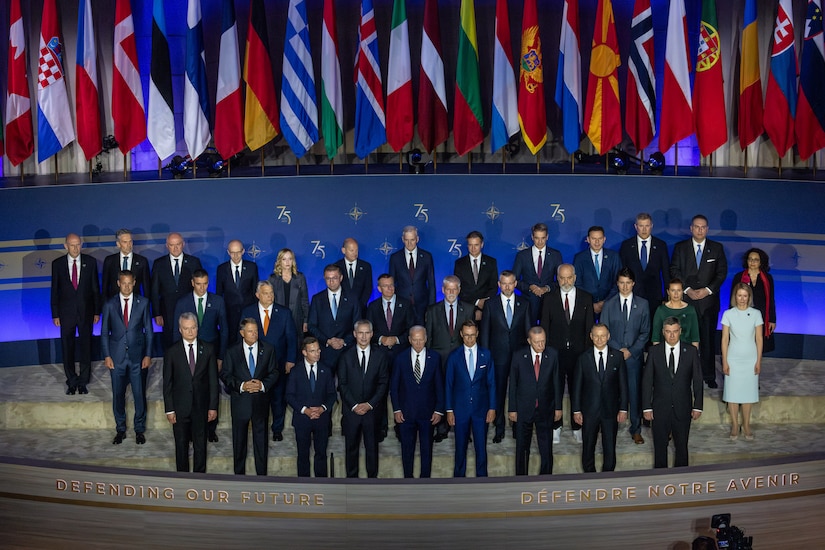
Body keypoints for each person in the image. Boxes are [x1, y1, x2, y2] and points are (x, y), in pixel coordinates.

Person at [670, 214, 728, 388]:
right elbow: (674, 269)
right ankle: (684, 375)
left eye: (703, 227)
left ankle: (708, 375)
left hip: (708, 303)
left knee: (708, 340)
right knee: (685, 339)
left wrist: (707, 290)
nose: (700, 230)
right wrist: (687, 289)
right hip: (685, 301)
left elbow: (721, 273)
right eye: (697, 226)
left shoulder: (717, 248)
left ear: (707, 229)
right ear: (691, 228)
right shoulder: (681, 248)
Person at [540, 263, 594, 443]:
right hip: (555, 354)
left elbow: (589, 329)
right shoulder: (549, 298)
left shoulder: (586, 298)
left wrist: (587, 354)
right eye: (562, 278)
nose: (566, 281)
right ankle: (556, 426)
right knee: (554, 390)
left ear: (575, 277)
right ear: (557, 278)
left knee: (577, 390)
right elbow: (545, 327)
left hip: (579, 354)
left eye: (569, 277)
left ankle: (577, 426)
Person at [173, 269, 229, 442]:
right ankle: (190, 429)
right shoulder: (183, 302)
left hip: (210, 355)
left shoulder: (218, 301)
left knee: (212, 389)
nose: (202, 287)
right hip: (189, 354)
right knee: (191, 390)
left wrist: (220, 356)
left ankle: (210, 429)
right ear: (192, 283)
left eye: (205, 284)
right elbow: (177, 333)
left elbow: (225, 330)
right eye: (198, 284)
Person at [219, 318, 278, 476]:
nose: (254, 334)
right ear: (242, 333)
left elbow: (274, 372)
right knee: (239, 443)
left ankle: (262, 477)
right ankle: (239, 477)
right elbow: (225, 374)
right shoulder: (232, 351)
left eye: (256, 331)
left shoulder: (268, 349)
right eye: (250, 331)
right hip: (240, 403)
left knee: (261, 442)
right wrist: (242, 386)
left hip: (260, 403)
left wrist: (262, 385)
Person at [643, 316, 704, 468]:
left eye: (675, 332)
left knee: (682, 447)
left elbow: (697, 380)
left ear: (680, 331)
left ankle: (681, 481)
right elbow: (647, 381)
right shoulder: (654, 352)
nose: (672, 335)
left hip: (682, 408)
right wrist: (646, 406)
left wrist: (698, 405)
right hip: (659, 408)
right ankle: (660, 481)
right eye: (668, 332)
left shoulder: (690, 351)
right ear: (663, 332)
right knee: (660, 448)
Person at [241, 280, 298, 442]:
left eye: (272, 293)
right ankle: (260, 428)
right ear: (258, 295)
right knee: (259, 399)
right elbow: (242, 338)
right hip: (255, 365)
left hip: (278, 364)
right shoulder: (248, 312)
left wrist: (290, 360)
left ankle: (277, 429)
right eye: (266, 293)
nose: (270, 296)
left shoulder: (284, 313)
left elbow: (291, 338)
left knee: (278, 397)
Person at [100, 270, 152, 444]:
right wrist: (107, 355)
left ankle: (139, 429)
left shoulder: (143, 303)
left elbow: (149, 332)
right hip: (116, 357)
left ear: (134, 282)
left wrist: (148, 355)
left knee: (139, 394)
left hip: (138, 357)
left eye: (130, 283)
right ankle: (120, 429)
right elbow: (104, 333)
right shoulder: (109, 304)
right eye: (124, 283)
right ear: (118, 283)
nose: (127, 286)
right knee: (118, 395)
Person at [479, 270, 532, 443]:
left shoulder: (524, 303)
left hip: (519, 358)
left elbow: (528, 332)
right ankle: (499, 428)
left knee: (519, 393)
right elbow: (485, 333)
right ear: (499, 285)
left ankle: (518, 428)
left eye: (510, 283)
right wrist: (486, 357)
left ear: (515, 284)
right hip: (497, 357)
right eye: (504, 283)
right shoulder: (490, 304)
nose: (507, 286)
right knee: (499, 393)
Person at [599, 267, 650, 444]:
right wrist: (617, 350)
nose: (625, 286)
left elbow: (645, 332)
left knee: (634, 394)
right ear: (617, 283)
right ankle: (611, 427)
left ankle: (635, 429)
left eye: (628, 283)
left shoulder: (643, 304)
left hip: (633, 358)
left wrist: (631, 351)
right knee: (613, 394)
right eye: (622, 283)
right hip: (613, 357)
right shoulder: (609, 304)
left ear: (633, 284)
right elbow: (603, 331)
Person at [163, 312, 219, 472]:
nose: (190, 331)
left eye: (193, 328)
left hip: (201, 407)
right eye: (186, 328)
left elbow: (213, 381)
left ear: (197, 328)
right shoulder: (172, 352)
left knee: (200, 445)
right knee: (181, 446)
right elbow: (167, 383)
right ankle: (183, 479)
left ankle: (200, 480)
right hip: (180, 408)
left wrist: (213, 406)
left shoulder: (208, 349)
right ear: (180, 329)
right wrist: (169, 409)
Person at [365, 273, 415, 440]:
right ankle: (381, 428)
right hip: (380, 357)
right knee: (380, 392)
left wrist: (397, 339)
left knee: (402, 392)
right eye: (385, 286)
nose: (389, 288)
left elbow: (411, 329)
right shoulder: (372, 307)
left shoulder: (406, 304)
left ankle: (402, 428)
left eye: (392, 285)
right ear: (379, 288)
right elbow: (368, 333)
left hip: (401, 356)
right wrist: (381, 339)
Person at [572, 324, 628, 472]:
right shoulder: (583, 358)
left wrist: (623, 408)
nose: (599, 339)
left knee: (609, 445)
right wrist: (576, 410)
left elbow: (623, 385)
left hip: (611, 410)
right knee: (588, 445)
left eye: (603, 335)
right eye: (596, 335)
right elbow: (576, 386)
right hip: (589, 410)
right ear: (591, 337)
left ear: (608, 336)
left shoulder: (617, 357)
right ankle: (589, 475)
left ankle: (608, 476)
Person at [338, 320, 390, 478]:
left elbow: (383, 384)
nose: (364, 336)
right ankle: (351, 482)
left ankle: (372, 482)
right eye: (360, 332)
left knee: (372, 448)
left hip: (372, 412)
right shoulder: (345, 356)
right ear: (354, 334)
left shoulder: (381, 356)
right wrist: (354, 405)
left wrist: (369, 404)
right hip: (351, 412)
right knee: (351, 448)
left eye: (367, 332)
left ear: (372, 334)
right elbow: (342, 384)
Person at [390, 326, 444, 478]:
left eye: (421, 340)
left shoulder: (435, 357)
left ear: (426, 339)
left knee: (427, 448)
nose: (418, 343)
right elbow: (394, 387)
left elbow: (439, 385)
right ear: (409, 339)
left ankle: (425, 480)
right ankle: (408, 479)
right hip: (406, 414)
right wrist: (397, 409)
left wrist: (439, 410)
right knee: (407, 449)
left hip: (428, 413)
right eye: (415, 340)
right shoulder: (400, 358)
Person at [51, 233, 101, 395]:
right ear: (65, 246)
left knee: (86, 347)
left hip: (86, 312)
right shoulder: (57, 264)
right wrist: (55, 314)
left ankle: (83, 381)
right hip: (66, 314)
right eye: (72, 245)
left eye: (78, 244)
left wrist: (96, 311)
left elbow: (95, 289)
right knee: (68, 347)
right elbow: (55, 291)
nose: (75, 248)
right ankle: (72, 381)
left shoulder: (90, 262)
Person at [425, 275, 473, 442]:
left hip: (462, 359)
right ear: (443, 290)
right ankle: (442, 428)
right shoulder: (432, 310)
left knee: (461, 393)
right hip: (439, 359)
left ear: (459, 290)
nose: (451, 292)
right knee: (440, 393)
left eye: (455, 289)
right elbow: (428, 338)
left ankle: (462, 429)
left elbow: (471, 337)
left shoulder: (468, 309)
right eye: (448, 289)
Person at [508, 327, 562, 475]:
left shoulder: (553, 355)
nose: (541, 345)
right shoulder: (519, 356)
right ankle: (521, 478)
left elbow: (557, 382)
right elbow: (513, 384)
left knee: (546, 448)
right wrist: (512, 409)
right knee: (522, 448)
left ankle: (546, 478)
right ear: (529, 341)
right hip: (524, 408)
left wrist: (558, 407)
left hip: (546, 408)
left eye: (543, 341)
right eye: (537, 342)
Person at [445, 320, 496, 477]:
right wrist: (449, 410)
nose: (469, 339)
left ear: (477, 334)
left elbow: (491, 383)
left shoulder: (486, 355)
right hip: (460, 410)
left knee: (481, 448)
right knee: (460, 448)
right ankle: (458, 480)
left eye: (472, 335)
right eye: (466, 335)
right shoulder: (453, 357)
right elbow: (448, 385)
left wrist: (492, 407)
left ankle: (482, 480)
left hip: (481, 409)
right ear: (461, 334)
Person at [286, 337, 337, 477]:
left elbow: (332, 394)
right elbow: (289, 395)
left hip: (322, 420)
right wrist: (305, 410)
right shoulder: (295, 371)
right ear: (304, 352)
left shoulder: (326, 370)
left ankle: (321, 484)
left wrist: (322, 408)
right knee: (303, 455)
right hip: (302, 420)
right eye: (313, 351)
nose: (317, 353)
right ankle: (305, 486)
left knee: (321, 453)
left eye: (318, 350)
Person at [721, 283, 763, 440]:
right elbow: (725, 340)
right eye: (739, 295)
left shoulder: (756, 314)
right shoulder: (728, 314)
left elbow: (759, 339)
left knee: (748, 394)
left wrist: (758, 361)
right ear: (735, 297)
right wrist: (724, 361)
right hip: (733, 358)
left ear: (749, 297)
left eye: (745, 296)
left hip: (750, 358)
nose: (742, 299)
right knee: (732, 394)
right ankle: (734, 425)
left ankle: (746, 425)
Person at [151, 232, 203, 350]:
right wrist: (157, 313)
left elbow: (200, 287)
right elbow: (154, 290)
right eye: (172, 245)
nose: (175, 248)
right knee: (170, 341)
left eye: (178, 244)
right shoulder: (159, 264)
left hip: (189, 308)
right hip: (167, 310)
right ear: (167, 245)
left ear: (183, 244)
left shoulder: (194, 262)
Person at [307, 264, 361, 375]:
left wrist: (344, 341)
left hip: (347, 351)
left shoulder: (352, 298)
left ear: (341, 278)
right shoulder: (317, 299)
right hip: (325, 353)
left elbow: (358, 325)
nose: (331, 281)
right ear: (324, 278)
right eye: (328, 278)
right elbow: (312, 325)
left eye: (334, 278)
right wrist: (327, 341)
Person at [619, 213, 670, 326]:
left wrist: (667, 297)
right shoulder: (627, 246)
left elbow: (666, 273)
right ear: (636, 226)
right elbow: (622, 272)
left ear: (651, 226)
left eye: (647, 226)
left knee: (653, 328)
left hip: (654, 296)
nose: (644, 229)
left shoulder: (660, 245)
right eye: (641, 226)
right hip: (633, 295)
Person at [512, 222, 563, 325]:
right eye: (537, 238)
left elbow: (561, 280)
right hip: (528, 303)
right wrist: (530, 287)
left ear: (547, 237)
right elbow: (514, 280)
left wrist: (547, 288)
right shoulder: (522, 256)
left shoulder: (555, 255)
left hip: (549, 302)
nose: (540, 241)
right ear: (532, 237)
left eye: (543, 238)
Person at [731, 248, 776, 354]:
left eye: (756, 260)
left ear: (761, 262)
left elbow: (771, 299)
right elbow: (733, 298)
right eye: (750, 259)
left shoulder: (767, 278)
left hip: (761, 316)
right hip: (743, 316)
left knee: (759, 346)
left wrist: (772, 319)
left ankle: (755, 368)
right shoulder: (739, 277)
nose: (752, 262)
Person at [215, 240, 259, 347]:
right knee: (231, 342)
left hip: (248, 313)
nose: (236, 255)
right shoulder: (221, 269)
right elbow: (219, 293)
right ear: (228, 252)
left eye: (238, 252)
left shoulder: (252, 267)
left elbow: (255, 291)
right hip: (229, 313)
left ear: (243, 251)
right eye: (232, 252)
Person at [389, 225, 436, 324]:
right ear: (402, 239)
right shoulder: (395, 258)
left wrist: (431, 308)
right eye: (406, 240)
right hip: (402, 305)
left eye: (412, 240)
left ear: (417, 239)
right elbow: (391, 284)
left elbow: (431, 284)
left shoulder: (427, 257)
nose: (409, 243)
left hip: (422, 306)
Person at [573, 225, 621, 318]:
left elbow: (618, 282)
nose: (597, 242)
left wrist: (605, 302)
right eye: (594, 238)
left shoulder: (614, 257)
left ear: (604, 239)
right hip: (586, 307)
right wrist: (591, 304)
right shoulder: (579, 258)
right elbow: (577, 283)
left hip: (610, 306)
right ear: (588, 239)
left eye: (600, 238)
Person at [454, 230, 499, 321]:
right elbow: (458, 288)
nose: (473, 248)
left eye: (476, 245)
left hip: (486, 308)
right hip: (466, 309)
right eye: (470, 245)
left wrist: (484, 303)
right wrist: (477, 302)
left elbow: (493, 286)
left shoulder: (491, 262)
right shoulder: (460, 263)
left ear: (482, 244)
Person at [268, 248, 309, 341]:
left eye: (290, 259)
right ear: (279, 261)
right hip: (278, 319)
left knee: (295, 346)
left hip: (296, 319)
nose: (287, 262)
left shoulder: (300, 277)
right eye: (284, 259)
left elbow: (304, 300)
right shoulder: (273, 279)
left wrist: (306, 321)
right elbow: (269, 300)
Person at [102, 228, 150, 300]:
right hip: (115, 303)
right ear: (118, 244)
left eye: (130, 241)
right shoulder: (110, 261)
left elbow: (146, 287)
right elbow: (105, 286)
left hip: (135, 303)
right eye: (125, 242)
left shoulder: (142, 261)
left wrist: (146, 306)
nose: (129, 245)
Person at [652, 278, 700, 348]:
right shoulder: (661, 310)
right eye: (673, 290)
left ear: (682, 291)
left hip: (686, 351)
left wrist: (694, 356)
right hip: (665, 350)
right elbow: (655, 337)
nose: (676, 294)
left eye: (679, 290)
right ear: (668, 292)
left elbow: (695, 337)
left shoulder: (690, 310)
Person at [335, 237, 374, 313]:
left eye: (356, 250)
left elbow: (368, 288)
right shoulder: (337, 267)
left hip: (361, 309)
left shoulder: (366, 266)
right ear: (343, 250)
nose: (355, 253)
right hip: (342, 310)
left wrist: (360, 305)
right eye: (352, 250)